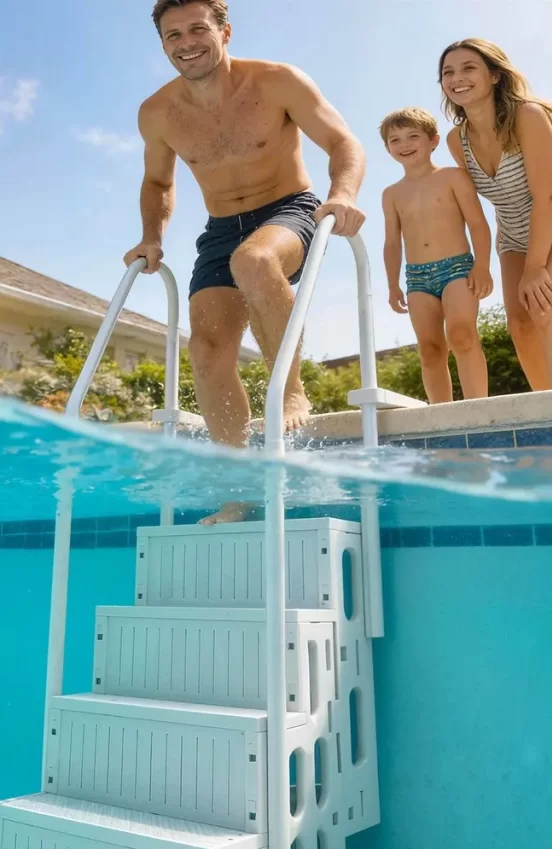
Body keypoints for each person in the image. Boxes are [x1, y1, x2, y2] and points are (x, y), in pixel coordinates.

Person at [125, 0, 366, 524]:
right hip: (219, 230)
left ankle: (292, 392)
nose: (185, 42)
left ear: (224, 31)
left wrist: (342, 194)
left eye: (197, 29)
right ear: (162, 45)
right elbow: (158, 182)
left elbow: (342, 141)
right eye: (172, 35)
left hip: (290, 209)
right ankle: (237, 491)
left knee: (254, 261)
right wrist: (151, 237)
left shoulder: (277, 81)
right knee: (208, 352)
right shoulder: (157, 113)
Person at [439, 38, 552, 392]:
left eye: (469, 68)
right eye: (448, 72)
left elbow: (546, 196)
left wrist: (535, 268)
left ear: (495, 76)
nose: (457, 78)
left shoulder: (527, 116)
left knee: (547, 308)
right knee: (521, 326)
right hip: (514, 237)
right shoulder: (457, 141)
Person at [380, 107, 492, 403]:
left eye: (412, 136)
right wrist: (393, 285)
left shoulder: (453, 177)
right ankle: (442, 415)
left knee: (461, 335)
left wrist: (482, 265)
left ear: (433, 140)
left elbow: (478, 223)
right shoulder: (391, 194)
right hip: (417, 278)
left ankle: (477, 407)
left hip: (457, 269)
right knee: (429, 349)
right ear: (388, 148)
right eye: (395, 140)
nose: (404, 144)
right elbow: (392, 243)